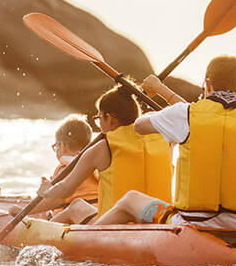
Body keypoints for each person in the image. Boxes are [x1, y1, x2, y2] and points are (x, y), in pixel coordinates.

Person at [93, 55, 236, 229]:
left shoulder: (186, 114)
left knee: (130, 199)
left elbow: (139, 126)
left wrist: (164, 103)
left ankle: (88, 237)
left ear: (206, 84)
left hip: (191, 224)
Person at [24, 85, 173, 224]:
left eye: (99, 118)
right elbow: (185, 114)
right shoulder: (165, 138)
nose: (100, 125)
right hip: (159, 223)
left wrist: (46, 191)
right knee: (78, 205)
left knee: (76, 206)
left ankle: (38, 234)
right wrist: (161, 88)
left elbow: (65, 189)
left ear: (110, 118)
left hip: (113, 226)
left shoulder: (103, 147)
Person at [35, 114, 99, 220]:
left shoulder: (64, 169)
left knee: (42, 214)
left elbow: (53, 201)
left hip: (74, 217)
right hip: (96, 211)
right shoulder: (94, 165)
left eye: (56, 147)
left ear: (62, 145)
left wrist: (43, 194)